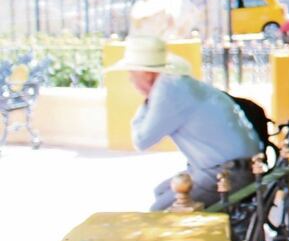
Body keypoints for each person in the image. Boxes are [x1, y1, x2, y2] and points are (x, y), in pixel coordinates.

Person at [108, 36, 262, 211]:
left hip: (228, 174)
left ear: (147, 74)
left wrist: (147, 101)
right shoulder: (178, 85)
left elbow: (141, 140)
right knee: (161, 191)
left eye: (132, 73)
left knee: (160, 213)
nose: (130, 79)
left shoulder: (168, 91)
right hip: (236, 167)